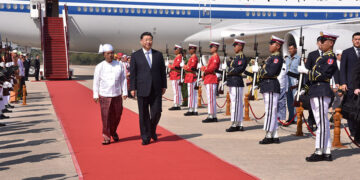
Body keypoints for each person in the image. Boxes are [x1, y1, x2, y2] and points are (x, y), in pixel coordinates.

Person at [298, 31, 339, 162]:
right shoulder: (321, 58)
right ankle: (326, 151)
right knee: (322, 122)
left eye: (324, 41)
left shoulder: (330, 58)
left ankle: (319, 150)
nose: (320, 43)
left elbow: (323, 75)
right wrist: (305, 88)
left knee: (321, 122)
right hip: (316, 90)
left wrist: (307, 71)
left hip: (322, 90)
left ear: (331, 43)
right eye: (320, 41)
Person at [130, 32, 167, 145]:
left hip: (156, 89)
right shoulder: (136, 55)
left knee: (157, 112)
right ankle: (145, 137)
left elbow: (162, 72)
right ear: (141, 41)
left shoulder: (158, 55)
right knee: (144, 114)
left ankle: (151, 130)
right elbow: (133, 73)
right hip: (142, 88)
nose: (148, 42)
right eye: (146, 40)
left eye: (150, 39)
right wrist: (132, 88)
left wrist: (164, 85)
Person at [93, 44, 128, 145]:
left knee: (117, 115)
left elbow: (123, 79)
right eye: (108, 54)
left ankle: (113, 131)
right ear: (104, 54)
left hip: (117, 94)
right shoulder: (100, 66)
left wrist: (125, 92)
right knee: (106, 116)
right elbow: (96, 81)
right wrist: (95, 94)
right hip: (104, 94)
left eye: (112, 53)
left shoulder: (119, 65)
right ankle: (106, 136)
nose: (110, 55)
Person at [252, 35, 284, 144]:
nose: (270, 45)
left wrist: (259, 71)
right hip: (267, 85)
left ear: (278, 46)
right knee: (271, 111)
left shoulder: (277, 58)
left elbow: (270, 72)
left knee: (270, 111)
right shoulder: (271, 58)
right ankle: (274, 134)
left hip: (271, 84)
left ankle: (269, 134)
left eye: (272, 44)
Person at [340, 32, 360, 137]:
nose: (357, 41)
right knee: (351, 110)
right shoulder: (347, 52)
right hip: (350, 86)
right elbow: (342, 69)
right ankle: (353, 131)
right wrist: (343, 82)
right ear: (352, 40)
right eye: (355, 39)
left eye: (359, 39)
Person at [225, 39, 248, 132]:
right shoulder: (236, 58)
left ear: (240, 47)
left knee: (236, 103)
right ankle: (239, 123)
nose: (234, 47)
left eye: (236, 45)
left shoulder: (242, 58)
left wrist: (228, 69)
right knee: (235, 103)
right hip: (232, 82)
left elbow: (238, 69)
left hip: (237, 82)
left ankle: (235, 123)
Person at [304, 37, 323, 131]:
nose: (321, 44)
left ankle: (320, 123)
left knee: (322, 106)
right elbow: (307, 69)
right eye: (320, 42)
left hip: (324, 84)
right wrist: (305, 85)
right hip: (313, 83)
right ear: (317, 43)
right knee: (313, 106)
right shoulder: (312, 55)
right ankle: (311, 122)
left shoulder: (329, 55)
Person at [201, 41, 220, 123]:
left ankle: (211, 115)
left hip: (211, 79)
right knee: (210, 98)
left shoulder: (215, 57)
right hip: (209, 79)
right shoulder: (212, 57)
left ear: (215, 48)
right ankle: (213, 115)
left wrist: (204, 69)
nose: (210, 48)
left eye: (211, 47)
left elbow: (212, 68)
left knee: (211, 99)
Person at [285, 44, 300, 124]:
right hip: (288, 81)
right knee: (289, 100)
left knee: (295, 100)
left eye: (291, 49)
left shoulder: (299, 59)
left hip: (295, 81)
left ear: (295, 49)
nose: (290, 50)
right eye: (289, 49)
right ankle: (291, 117)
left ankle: (296, 118)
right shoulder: (287, 59)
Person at [183, 44, 199, 116]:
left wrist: (184, 66)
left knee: (191, 94)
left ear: (193, 49)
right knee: (193, 94)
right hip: (190, 76)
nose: (189, 50)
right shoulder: (192, 58)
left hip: (191, 76)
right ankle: (194, 109)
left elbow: (191, 68)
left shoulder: (193, 58)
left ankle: (191, 109)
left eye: (190, 49)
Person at [168, 44, 183, 110]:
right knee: (176, 91)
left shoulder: (179, 57)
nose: (174, 50)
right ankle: (176, 103)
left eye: (175, 49)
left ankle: (176, 104)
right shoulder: (177, 57)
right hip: (174, 76)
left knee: (176, 91)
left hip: (176, 76)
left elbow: (176, 66)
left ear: (179, 50)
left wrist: (169, 66)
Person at [277, 58, 288, 124]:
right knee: (275, 104)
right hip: (275, 87)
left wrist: (286, 88)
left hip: (283, 87)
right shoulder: (275, 65)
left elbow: (286, 77)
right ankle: (276, 118)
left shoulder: (285, 66)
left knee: (282, 104)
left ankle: (283, 118)